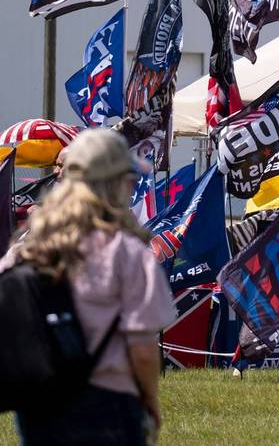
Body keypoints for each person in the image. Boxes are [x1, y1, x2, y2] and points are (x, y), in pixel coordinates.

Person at [1, 129, 176, 444]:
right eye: (128, 179)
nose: (132, 186)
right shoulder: (127, 252)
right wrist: (150, 400)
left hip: (39, 405)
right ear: (112, 183)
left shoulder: (29, 249)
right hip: (110, 404)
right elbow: (143, 349)